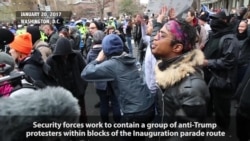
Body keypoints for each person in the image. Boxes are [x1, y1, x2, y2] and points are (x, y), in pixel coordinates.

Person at [82, 34, 155, 141]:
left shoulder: (112, 65)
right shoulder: (130, 58)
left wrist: (98, 59)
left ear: (105, 50)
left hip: (134, 113)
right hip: (148, 106)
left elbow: (85, 73)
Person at [151, 18, 209, 141]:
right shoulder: (167, 65)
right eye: (157, 34)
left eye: (162, 35)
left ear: (177, 47)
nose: (155, 38)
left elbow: (189, 134)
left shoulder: (192, 87)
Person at [203, 11, 239, 131]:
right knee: (209, 99)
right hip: (209, 75)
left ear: (224, 21)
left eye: (216, 19)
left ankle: (223, 127)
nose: (212, 22)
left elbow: (228, 61)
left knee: (221, 104)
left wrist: (208, 62)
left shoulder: (230, 39)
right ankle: (209, 119)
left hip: (222, 78)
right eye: (211, 19)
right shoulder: (214, 35)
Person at [46, 37, 88, 124]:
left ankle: (85, 134)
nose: (65, 57)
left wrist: (82, 86)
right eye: (63, 55)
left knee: (82, 114)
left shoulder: (77, 56)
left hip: (78, 92)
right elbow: (49, 78)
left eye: (67, 54)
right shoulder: (51, 61)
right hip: (63, 95)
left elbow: (85, 71)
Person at [86, 30, 121, 123]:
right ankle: (118, 123)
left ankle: (105, 124)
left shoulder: (91, 52)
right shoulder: (109, 50)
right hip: (111, 81)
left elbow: (88, 65)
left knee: (103, 103)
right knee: (115, 102)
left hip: (99, 83)